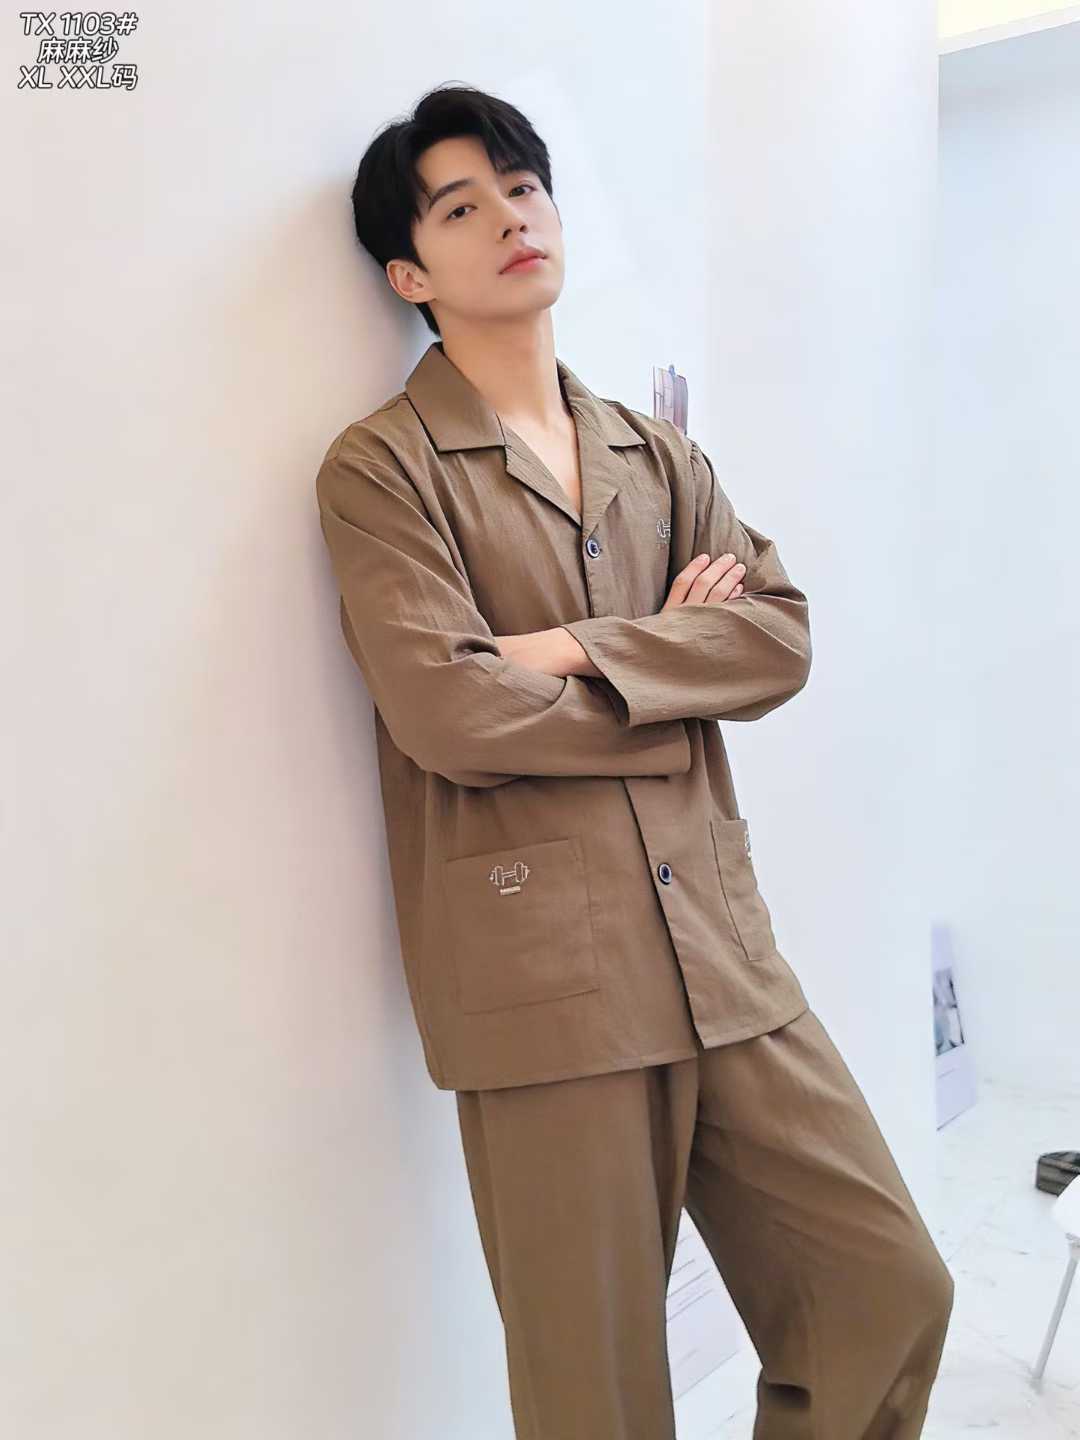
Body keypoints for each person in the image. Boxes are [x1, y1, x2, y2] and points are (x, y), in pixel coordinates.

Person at [315, 81, 954, 1440]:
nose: (512, 219)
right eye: (461, 208)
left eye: (523, 188)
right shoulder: (382, 470)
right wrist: (670, 671)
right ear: (409, 273)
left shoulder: (656, 455)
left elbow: (776, 637)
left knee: (886, 1288)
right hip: (548, 983)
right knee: (593, 1395)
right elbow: (450, 714)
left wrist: (560, 650)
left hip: (721, 950)